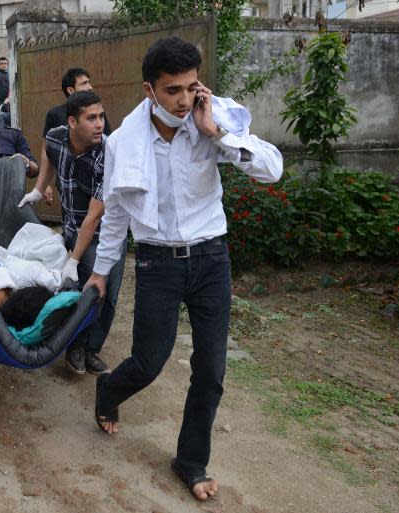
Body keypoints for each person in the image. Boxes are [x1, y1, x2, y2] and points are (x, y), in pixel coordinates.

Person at [85, 37, 283, 501]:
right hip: (157, 261)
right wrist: (100, 270)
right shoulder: (124, 142)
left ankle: (191, 460)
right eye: (172, 90)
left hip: (212, 259)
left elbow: (272, 170)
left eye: (191, 86)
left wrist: (216, 131)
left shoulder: (212, 120)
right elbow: (115, 211)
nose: (183, 99)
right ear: (149, 89)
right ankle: (109, 389)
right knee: (149, 363)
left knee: (211, 370)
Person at [18, 91, 123, 375]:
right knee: (83, 291)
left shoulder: (109, 153)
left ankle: (91, 349)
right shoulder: (56, 136)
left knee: (107, 294)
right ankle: (75, 344)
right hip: (72, 227)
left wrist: (73, 261)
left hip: (106, 233)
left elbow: (94, 215)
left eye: (101, 116)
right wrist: (39, 188)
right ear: (72, 122)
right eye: (92, 118)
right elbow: (47, 151)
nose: (100, 124)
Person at [42, 67, 112, 138]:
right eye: (84, 83)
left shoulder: (96, 111)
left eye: (88, 82)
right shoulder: (54, 114)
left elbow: (109, 140)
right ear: (71, 90)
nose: (90, 87)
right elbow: (46, 147)